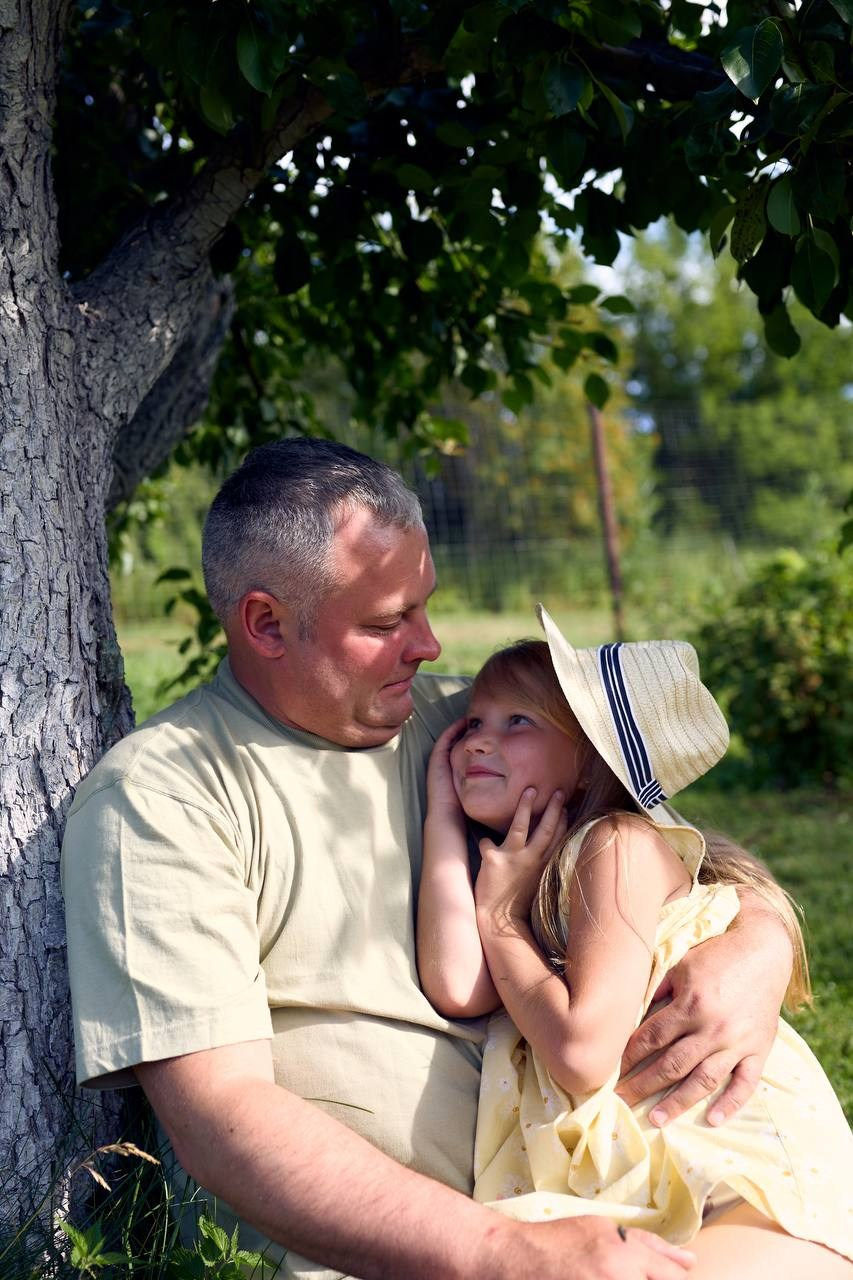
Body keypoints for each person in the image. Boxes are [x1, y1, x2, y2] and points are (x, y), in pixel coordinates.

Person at [63, 439, 795, 1280]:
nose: (430, 645)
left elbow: (654, 849)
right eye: (384, 623)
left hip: (626, 1176)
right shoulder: (168, 797)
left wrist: (760, 947)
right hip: (436, 1249)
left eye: (423, 606)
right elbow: (220, 1118)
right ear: (265, 623)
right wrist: (501, 1252)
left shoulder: (466, 727)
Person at [417, 609, 853, 1278]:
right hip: (649, 1174)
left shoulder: (615, 848)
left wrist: (502, 918)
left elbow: (583, 1053)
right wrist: (444, 817)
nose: (476, 741)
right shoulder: (518, 869)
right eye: (474, 721)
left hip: (733, 1168)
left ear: (590, 761)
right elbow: (457, 983)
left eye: (518, 723)